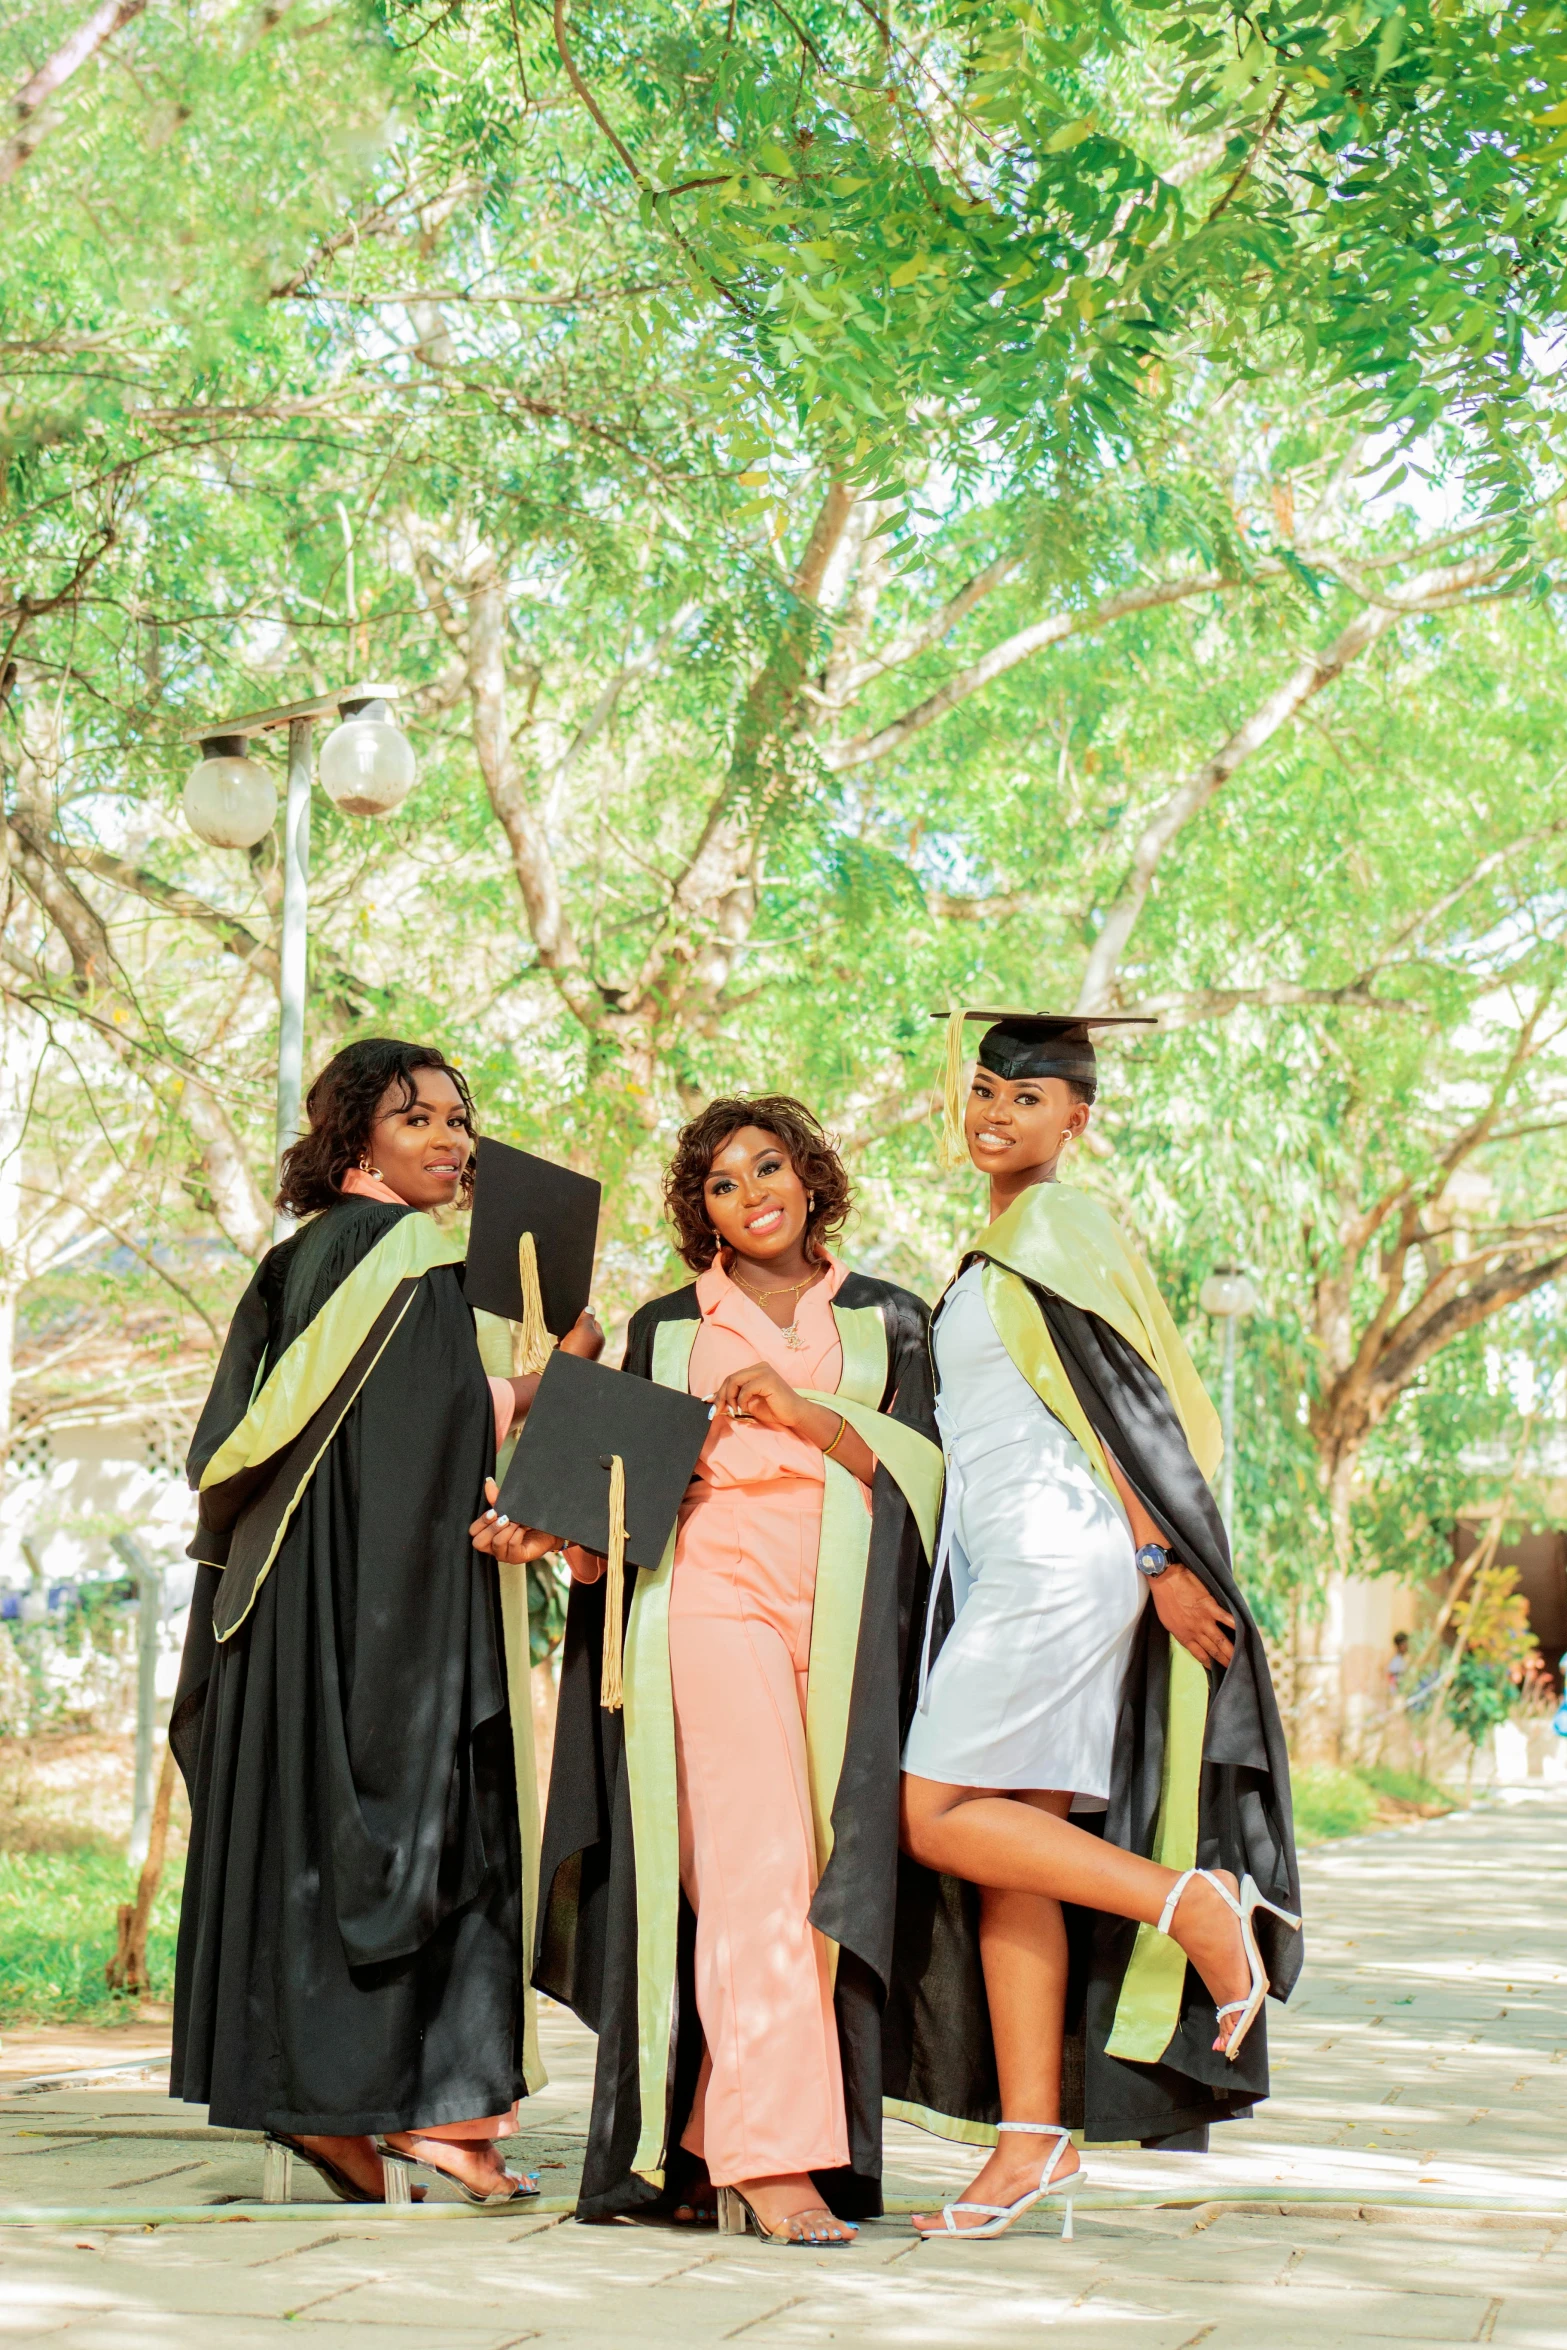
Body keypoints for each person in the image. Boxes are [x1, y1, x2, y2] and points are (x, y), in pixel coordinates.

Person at [482, 1096, 942, 2241]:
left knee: (827, 1878)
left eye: (767, 1167)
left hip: (842, 1609)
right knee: (758, 1868)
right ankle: (771, 2162)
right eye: (722, 1185)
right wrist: (557, 1529)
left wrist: (811, 1414)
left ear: (810, 1174)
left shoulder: (891, 1317)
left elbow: (936, 1477)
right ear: (702, 1213)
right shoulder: (668, 1328)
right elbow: (617, 1483)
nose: (750, 1195)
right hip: (711, 1590)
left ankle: (703, 2129)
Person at [886, 1011, 1301, 2239]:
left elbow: (1121, 1410)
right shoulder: (1001, 1241)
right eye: (982, 1092)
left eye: (1026, 1096)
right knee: (1012, 1841)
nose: (995, 1112)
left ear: (1077, 1118)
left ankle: (1195, 1905)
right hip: (1034, 1559)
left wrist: (1160, 1552)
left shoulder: (1057, 1226)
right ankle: (1031, 2142)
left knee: (935, 1812)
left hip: (1055, 1563)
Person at [170, 1038, 598, 2205]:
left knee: (305, 1835)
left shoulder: (296, 1259)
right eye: (420, 1120)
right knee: (433, 1821)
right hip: (384, 1609)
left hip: (289, 1604)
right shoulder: (405, 1255)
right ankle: (413, 2114)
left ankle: (360, 2113)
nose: (454, 1143)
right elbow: (437, 1436)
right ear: (357, 1134)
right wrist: (560, 1370)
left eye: (461, 1122)